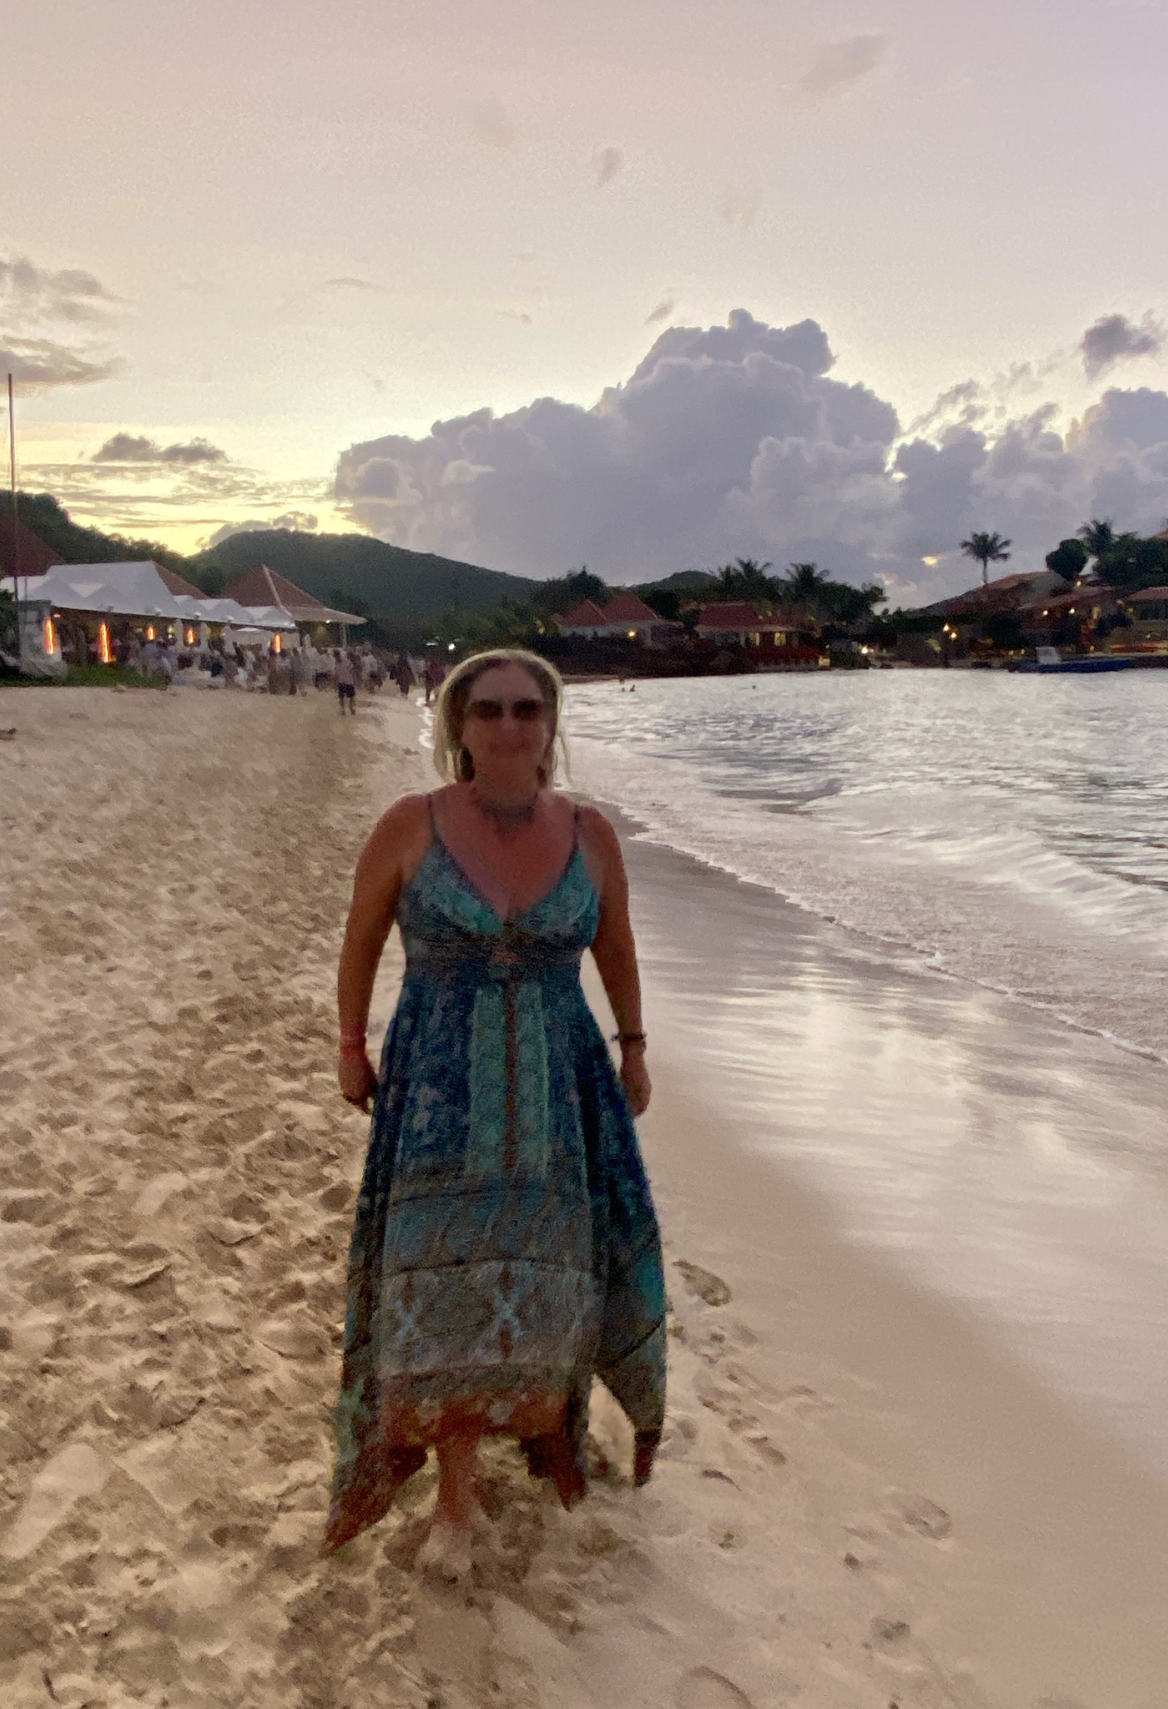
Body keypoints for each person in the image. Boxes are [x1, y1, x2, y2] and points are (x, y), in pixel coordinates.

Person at [325, 648, 665, 1579]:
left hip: (562, 1079)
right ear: (457, 725)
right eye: (488, 711)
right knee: (440, 1281)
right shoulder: (409, 825)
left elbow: (617, 945)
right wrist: (351, 1044)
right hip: (439, 1084)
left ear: (552, 723)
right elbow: (359, 942)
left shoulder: (591, 832)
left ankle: (546, 1425)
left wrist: (634, 1045)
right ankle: (455, 1494)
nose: (508, 726)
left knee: (556, 1264)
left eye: (526, 709)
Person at [333, 647, 358, 715]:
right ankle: (343, 710)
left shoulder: (346, 661)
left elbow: (352, 670)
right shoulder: (335, 664)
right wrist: (335, 683)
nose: (337, 657)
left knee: (351, 696)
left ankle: (351, 708)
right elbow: (336, 675)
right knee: (341, 697)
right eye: (335, 656)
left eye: (337, 655)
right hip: (341, 682)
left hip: (349, 681)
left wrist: (355, 680)